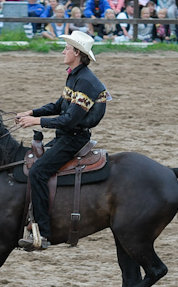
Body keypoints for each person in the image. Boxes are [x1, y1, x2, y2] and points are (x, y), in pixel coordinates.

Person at [15, 30, 108, 250]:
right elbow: (59, 106)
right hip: (66, 136)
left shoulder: (85, 82)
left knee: (38, 172)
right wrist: (32, 111)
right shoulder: (76, 75)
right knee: (32, 161)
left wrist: (36, 122)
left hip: (73, 139)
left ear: (77, 53)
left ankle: (44, 233)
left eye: (67, 48)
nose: (63, 51)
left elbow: (68, 120)